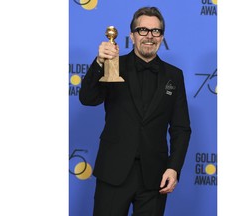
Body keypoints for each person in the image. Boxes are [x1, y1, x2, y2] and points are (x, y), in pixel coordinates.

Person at [79, 6, 191, 216]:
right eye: (143, 30)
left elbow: (181, 128)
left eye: (155, 31)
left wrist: (174, 167)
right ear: (132, 35)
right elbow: (87, 99)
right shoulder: (113, 66)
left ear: (162, 36)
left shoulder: (174, 76)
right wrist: (99, 62)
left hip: (155, 177)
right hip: (113, 172)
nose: (149, 36)